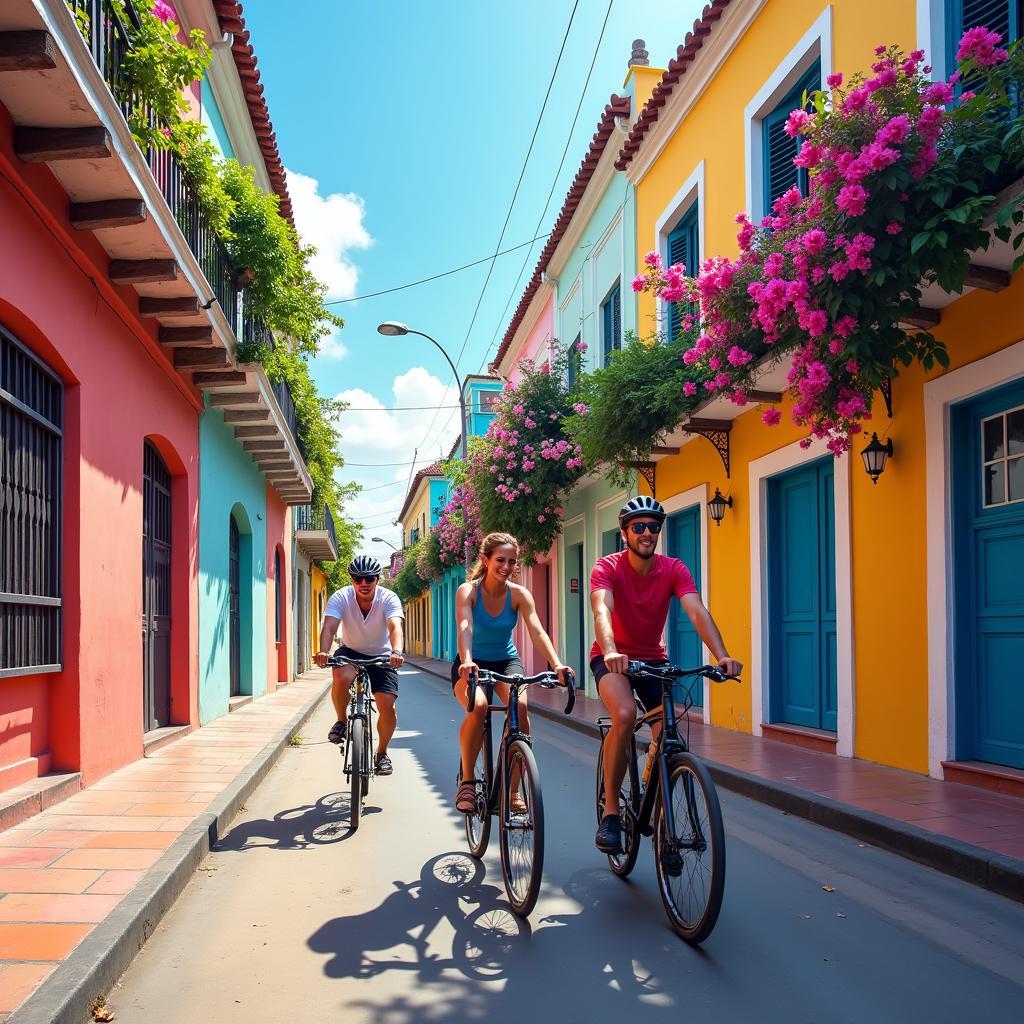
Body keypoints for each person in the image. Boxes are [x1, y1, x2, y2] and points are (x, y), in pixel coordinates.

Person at [590, 495, 742, 853]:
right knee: (625, 715)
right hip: (613, 659)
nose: (647, 533)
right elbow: (601, 610)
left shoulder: (673, 568)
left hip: (653, 660)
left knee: (669, 733)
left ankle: (660, 807)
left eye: (653, 527)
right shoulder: (607, 567)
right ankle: (612, 811)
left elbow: (697, 611)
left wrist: (722, 655)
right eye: (639, 527)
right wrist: (611, 650)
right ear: (625, 533)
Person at [452, 532, 571, 813]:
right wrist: (467, 660)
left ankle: (513, 789)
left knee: (519, 708)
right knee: (478, 707)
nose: (507, 567)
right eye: (500, 560)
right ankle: (468, 780)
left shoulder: (518, 594)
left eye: (512, 562)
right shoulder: (468, 591)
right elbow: (465, 627)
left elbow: (537, 631)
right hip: (472, 662)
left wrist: (557, 665)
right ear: (485, 559)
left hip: (506, 660)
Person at [314, 555, 405, 776]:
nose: (363, 583)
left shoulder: (388, 598)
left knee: (388, 708)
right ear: (352, 580)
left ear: (377, 579)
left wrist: (396, 652)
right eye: (357, 579)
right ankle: (341, 721)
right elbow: (329, 627)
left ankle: (382, 753)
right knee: (341, 677)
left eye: (369, 579)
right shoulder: (341, 597)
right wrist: (324, 651)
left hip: (382, 655)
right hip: (351, 650)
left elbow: (395, 627)